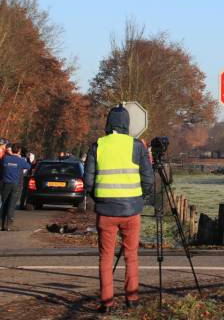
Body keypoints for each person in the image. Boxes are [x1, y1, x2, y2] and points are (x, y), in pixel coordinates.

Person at [84, 105, 154, 314]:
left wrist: (99, 198)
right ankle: (132, 298)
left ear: (108, 123)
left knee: (105, 257)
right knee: (131, 255)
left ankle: (106, 302)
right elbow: (149, 179)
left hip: (106, 212)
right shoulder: (136, 146)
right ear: (127, 124)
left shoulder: (97, 146)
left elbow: (88, 181)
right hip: (131, 211)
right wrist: (140, 198)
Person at [1, 143, 31, 230]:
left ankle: (1, 224)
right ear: (19, 151)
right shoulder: (21, 160)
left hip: (5, 184)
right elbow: (29, 167)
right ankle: (9, 225)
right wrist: (26, 158)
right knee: (11, 204)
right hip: (15, 185)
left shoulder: (5, 159)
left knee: (4, 204)